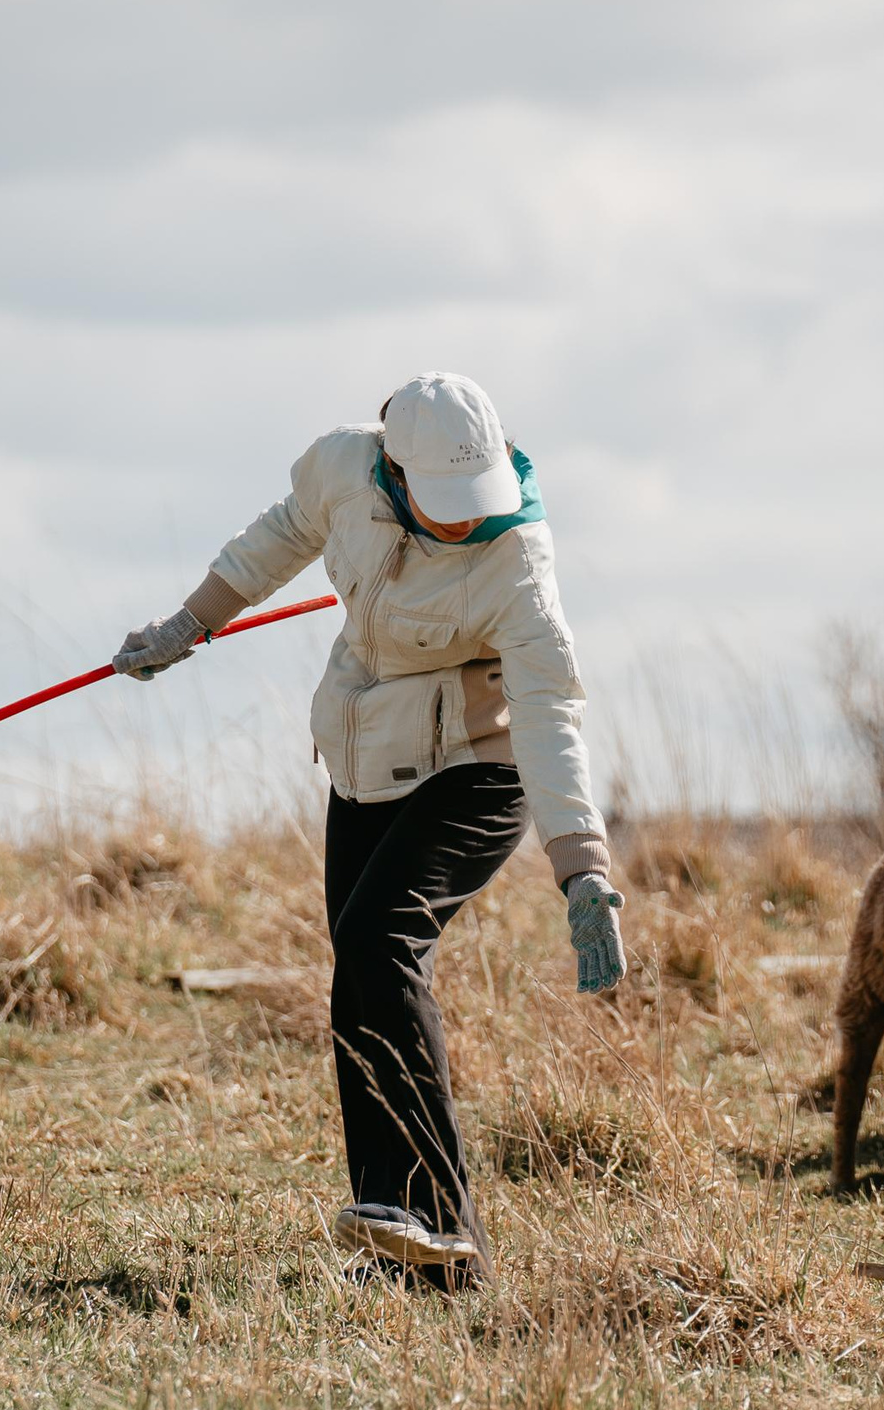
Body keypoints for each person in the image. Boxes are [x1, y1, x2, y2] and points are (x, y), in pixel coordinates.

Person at [114, 371, 625, 1284]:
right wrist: (189, 623)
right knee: (358, 968)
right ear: (396, 470)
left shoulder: (519, 562)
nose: (466, 521)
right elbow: (277, 538)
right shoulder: (344, 471)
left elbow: (549, 715)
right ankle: (402, 1241)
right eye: (446, 504)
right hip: (370, 760)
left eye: (478, 503)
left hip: (482, 765)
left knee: (378, 943)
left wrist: (582, 868)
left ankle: (443, 1224)